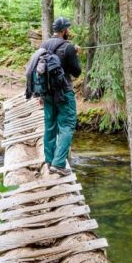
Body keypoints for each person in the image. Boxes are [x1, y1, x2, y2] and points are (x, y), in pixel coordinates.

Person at [40, 17, 81, 176]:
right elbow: (76, 72)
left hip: (47, 93)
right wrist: (75, 54)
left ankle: (49, 161)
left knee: (50, 126)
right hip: (64, 93)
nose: (68, 30)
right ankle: (58, 164)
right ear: (64, 30)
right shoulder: (68, 47)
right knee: (67, 126)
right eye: (68, 28)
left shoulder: (44, 45)